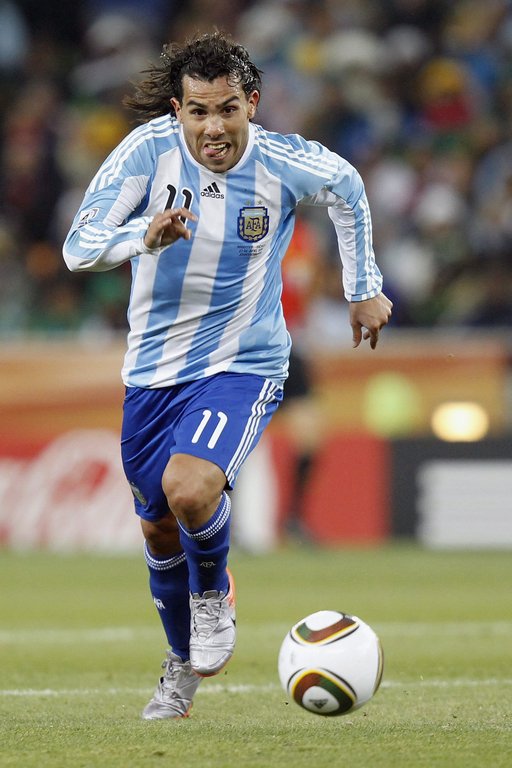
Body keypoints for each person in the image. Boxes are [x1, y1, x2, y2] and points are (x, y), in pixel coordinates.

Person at [62, 31, 392, 721]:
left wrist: (363, 287)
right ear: (177, 110)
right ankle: (180, 665)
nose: (214, 127)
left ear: (252, 103)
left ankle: (213, 594)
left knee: (190, 488)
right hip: (152, 371)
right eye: (199, 112)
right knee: (158, 532)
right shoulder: (146, 153)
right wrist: (141, 236)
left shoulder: (281, 162)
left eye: (228, 109)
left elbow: (348, 188)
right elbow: (78, 246)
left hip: (244, 361)